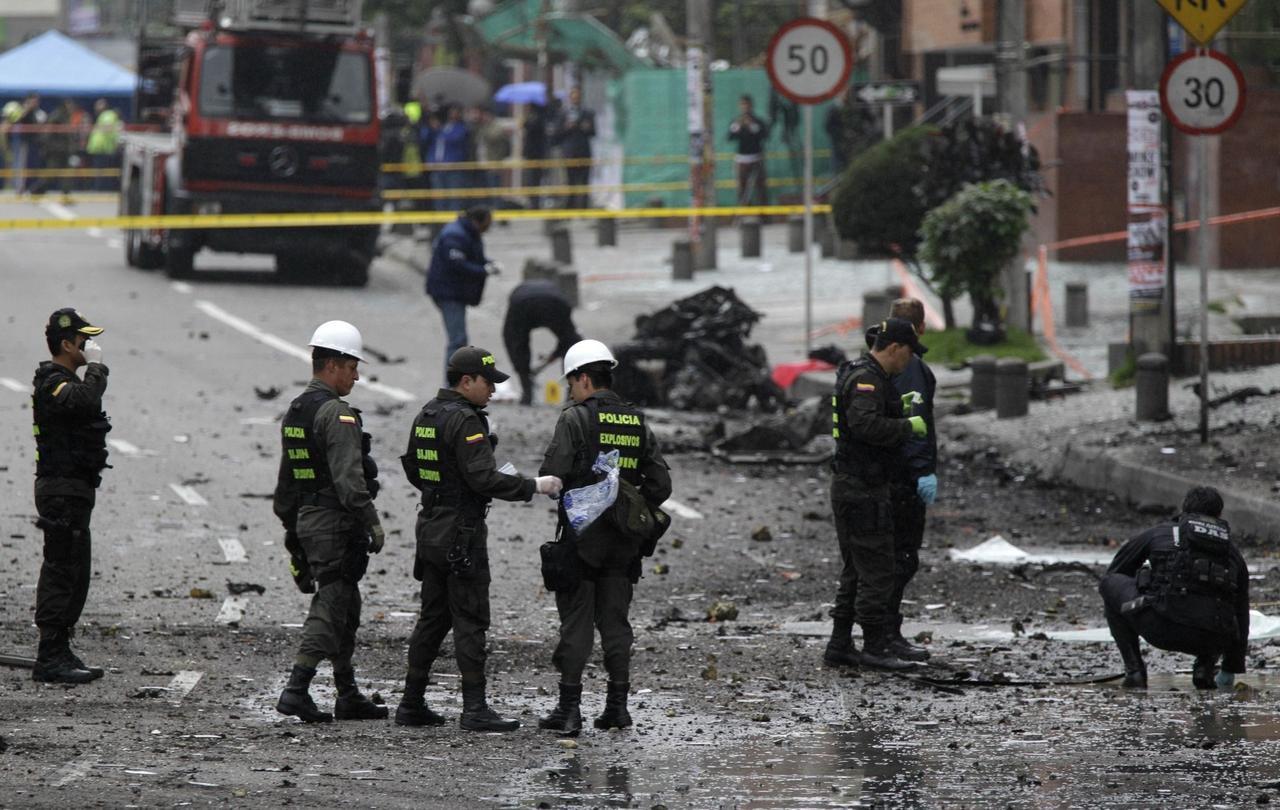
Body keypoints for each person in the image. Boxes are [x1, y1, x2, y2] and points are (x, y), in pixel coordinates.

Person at [396, 346, 563, 731]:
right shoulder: (467, 421)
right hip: (461, 533)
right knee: (470, 618)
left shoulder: (428, 414)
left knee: (433, 619)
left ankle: (411, 702)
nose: (493, 391)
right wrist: (532, 486)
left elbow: (414, 470)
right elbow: (483, 479)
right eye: (488, 383)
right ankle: (475, 709)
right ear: (466, 381)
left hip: (431, 527)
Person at [537, 339, 672, 735]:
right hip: (624, 540)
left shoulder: (574, 418)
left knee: (577, 622)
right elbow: (660, 483)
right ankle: (617, 707)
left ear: (582, 379)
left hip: (582, 537)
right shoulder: (635, 420)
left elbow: (554, 475)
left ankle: (569, 709)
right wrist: (628, 504)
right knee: (616, 623)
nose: (568, 390)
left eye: (570, 382)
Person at [273, 321, 387, 723]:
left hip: (309, 520)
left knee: (347, 606)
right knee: (331, 605)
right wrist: (372, 522)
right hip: (335, 524)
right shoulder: (336, 414)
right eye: (353, 365)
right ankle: (296, 689)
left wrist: (294, 537)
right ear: (334, 365)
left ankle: (347, 692)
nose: (357, 374)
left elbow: (286, 484)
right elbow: (349, 481)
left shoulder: (297, 410)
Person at [825, 318, 928, 671]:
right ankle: (874, 645)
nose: (910, 361)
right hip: (862, 489)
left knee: (856, 569)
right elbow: (864, 425)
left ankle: (840, 643)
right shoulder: (868, 379)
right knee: (878, 570)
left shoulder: (860, 372)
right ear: (895, 347)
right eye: (909, 352)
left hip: (855, 485)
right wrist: (907, 427)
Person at [1099, 486, 1249, 690]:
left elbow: (1117, 571)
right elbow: (1241, 613)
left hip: (1161, 627)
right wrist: (1231, 668)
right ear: (1219, 515)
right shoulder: (1232, 552)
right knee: (1214, 603)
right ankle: (1204, 670)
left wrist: (1147, 580)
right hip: (1213, 639)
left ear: (1184, 510)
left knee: (1110, 584)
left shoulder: (1161, 533)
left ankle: (1135, 672)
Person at [30, 308, 111, 684]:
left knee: (75, 572)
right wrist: (96, 369)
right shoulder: (53, 381)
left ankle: (60, 648)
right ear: (66, 343)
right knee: (61, 570)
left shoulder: (66, 379)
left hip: (74, 488)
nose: (90, 346)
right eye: (84, 341)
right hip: (60, 490)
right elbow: (83, 401)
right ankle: (50, 655)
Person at [862, 299, 938, 663]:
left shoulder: (874, 367)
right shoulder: (911, 368)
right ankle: (885, 634)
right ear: (918, 330)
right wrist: (923, 470)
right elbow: (914, 422)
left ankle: (880, 633)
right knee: (900, 559)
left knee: (884, 560)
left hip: (883, 477)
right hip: (903, 479)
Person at [425, 206, 500, 379]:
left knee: (459, 339)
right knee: (457, 340)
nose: (489, 228)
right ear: (477, 221)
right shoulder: (455, 235)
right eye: (487, 223)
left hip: (454, 291)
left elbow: (470, 258)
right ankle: (451, 384)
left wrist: (488, 264)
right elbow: (457, 264)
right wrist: (484, 270)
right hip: (448, 292)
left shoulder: (467, 233)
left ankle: (456, 381)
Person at [502, 280, 582, 406]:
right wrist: (556, 355)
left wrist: (521, 367)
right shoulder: (555, 292)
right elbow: (569, 341)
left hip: (522, 305)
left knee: (518, 344)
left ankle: (527, 393)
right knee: (571, 344)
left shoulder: (518, 295)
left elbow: (510, 339)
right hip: (556, 303)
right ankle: (571, 394)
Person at [551, 87, 596, 209]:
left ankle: (584, 207)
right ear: (570, 98)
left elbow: (593, 132)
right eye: (573, 96)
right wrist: (567, 127)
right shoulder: (563, 113)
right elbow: (556, 134)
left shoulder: (588, 113)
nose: (575, 98)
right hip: (570, 152)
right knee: (570, 181)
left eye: (578, 96)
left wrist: (586, 128)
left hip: (584, 151)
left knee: (584, 181)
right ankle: (570, 206)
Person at [423, 104, 470, 212]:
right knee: (439, 196)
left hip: (453, 168)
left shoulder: (461, 128)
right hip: (437, 167)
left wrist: (439, 131)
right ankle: (440, 219)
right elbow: (430, 142)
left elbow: (456, 139)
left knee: (454, 196)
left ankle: (453, 218)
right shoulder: (442, 128)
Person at [727, 94, 769, 206]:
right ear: (740, 106)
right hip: (741, 159)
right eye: (743, 104)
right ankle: (745, 215)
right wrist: (737, 126)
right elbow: (730, 137)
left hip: (756, 158)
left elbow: (764, 135)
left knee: (760, 188)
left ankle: (764, 216)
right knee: (742, 189)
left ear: (751, 106)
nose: (745, 107)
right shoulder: (736, 121)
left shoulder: (758, 121)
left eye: (747, 104)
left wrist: (751, 126)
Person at [522, 102, 550, 209]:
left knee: (535, 180)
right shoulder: (532, 118)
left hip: (536, 155)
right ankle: (532, 202)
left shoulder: (538, 118)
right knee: (530, 181)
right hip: (531, 155)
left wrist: (525, 121)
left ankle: (535, 204)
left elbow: (531, 127)